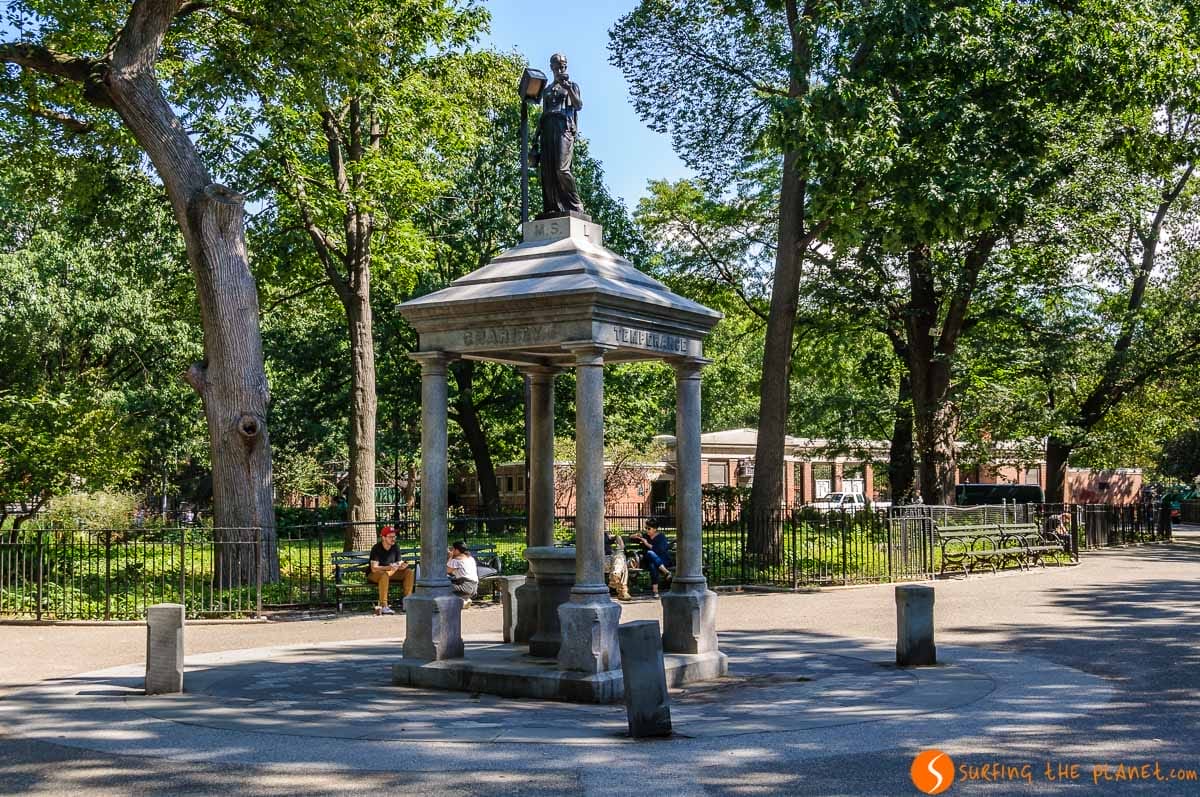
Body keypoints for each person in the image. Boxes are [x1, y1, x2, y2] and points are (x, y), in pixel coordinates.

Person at [530, 53, 585, 216]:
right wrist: (535, 137)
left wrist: (567, 88)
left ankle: (575, 205)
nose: (561, 68)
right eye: (558, 66)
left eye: (563, 66)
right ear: (552, 67)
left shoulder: (571, 86)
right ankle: (552, 206)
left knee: (562, 169)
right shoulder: (546, 90)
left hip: (564, 128)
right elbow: (543, 113)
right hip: (547, 128)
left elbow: (578, 105)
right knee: (548, 171)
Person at [367, 526, 414, 615]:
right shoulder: (376, 548)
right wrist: (388, 567)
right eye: (390, 537)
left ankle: (408, 602)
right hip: (375, 574)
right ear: (383, 537)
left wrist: (402, 566)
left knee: (409, 572)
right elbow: (374, 568)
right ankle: (384, 606)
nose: (393, 539)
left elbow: (398, 562)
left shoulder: (395, 546)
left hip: (390, 573)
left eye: (394, 536)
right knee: (384, 575)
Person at [629, 518, 672, 598]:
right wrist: (635, 536)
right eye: (646, 528)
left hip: (662, 559)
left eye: (649, 528)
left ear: (655, 529)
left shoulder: (661, 537)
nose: (647, 530)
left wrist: (647, 544)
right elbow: (630, 538)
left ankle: (655, 591)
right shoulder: (645, 536)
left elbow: (660, 550)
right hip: (648, 561)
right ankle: (666, 572)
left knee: (651, 560)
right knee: (651, 560)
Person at [604, 530, 632, 601]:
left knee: (620, 555)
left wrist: (617, 537)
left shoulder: (606, 536)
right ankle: (623, 591)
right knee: (623, 565)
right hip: (601, 559)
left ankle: (615, 577)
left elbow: (617, 541)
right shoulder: (593, 536)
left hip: (611, 559)